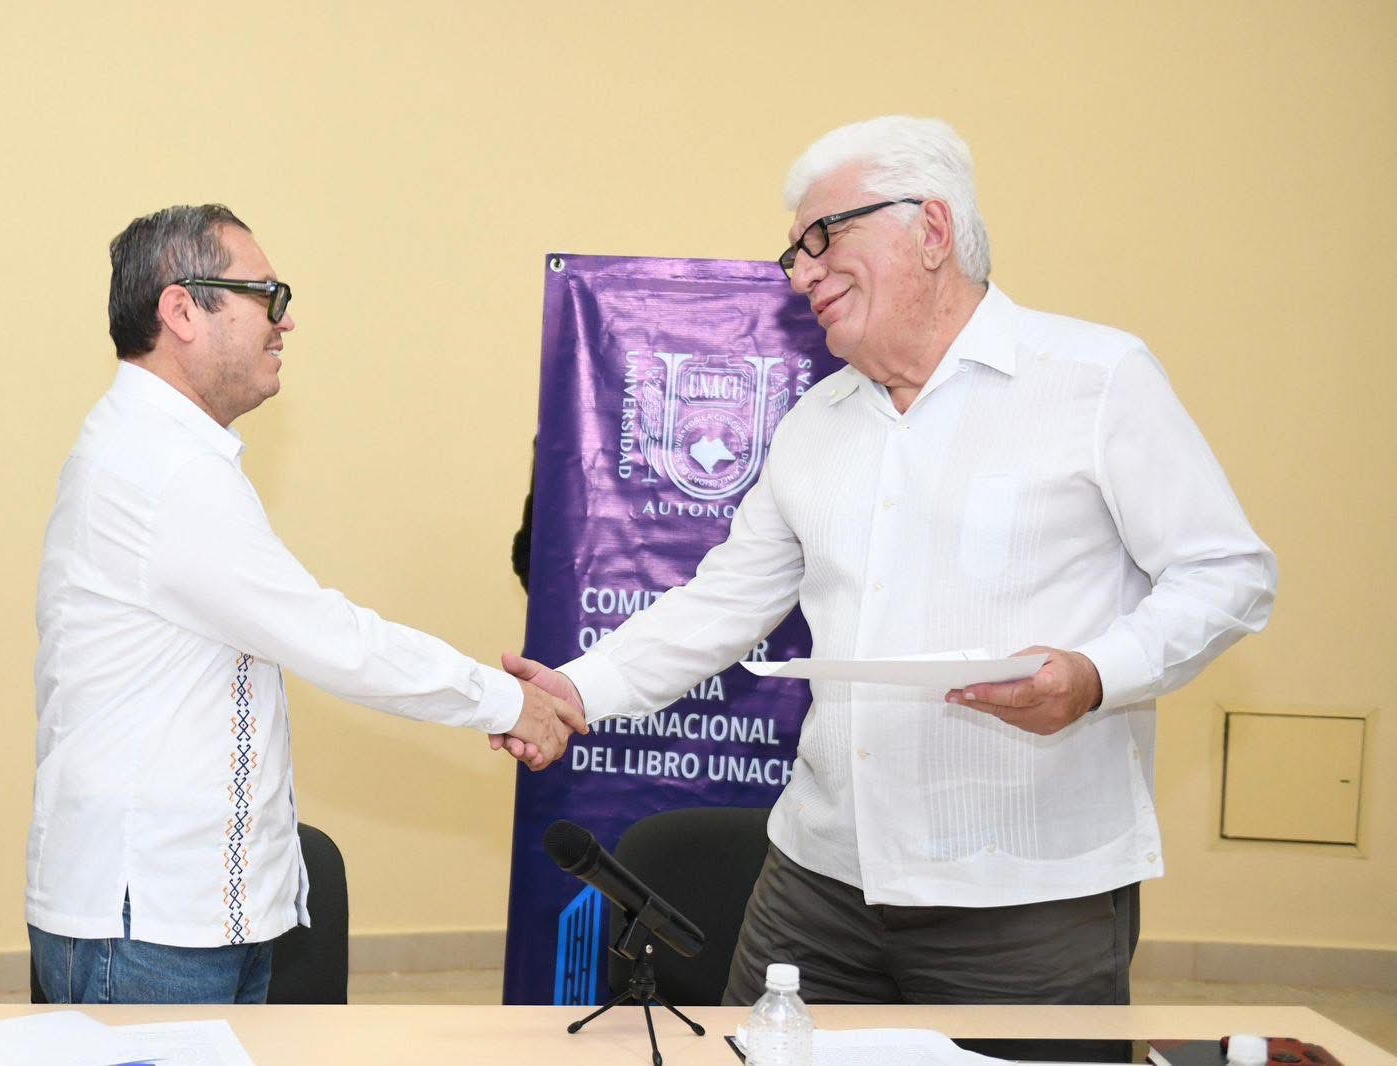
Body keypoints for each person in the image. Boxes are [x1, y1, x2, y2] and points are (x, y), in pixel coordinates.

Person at [498, 117, 1276, 1011]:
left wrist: (1098, 674)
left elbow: (1228, 575)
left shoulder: (1096, 379)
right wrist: (574, 691)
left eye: (823, 238)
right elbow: (723, 601)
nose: (801, 274)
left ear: (932, 229)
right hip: (817, 884)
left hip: (1025, 895)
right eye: (793, 253)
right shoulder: (814, 424)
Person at [28, 204, 585, 1004]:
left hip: (191, 910)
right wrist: (506, 701)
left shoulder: (165, 452)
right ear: (182, 310)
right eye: (267, 295)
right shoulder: (160, 468)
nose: (285, 321)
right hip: (150, 918)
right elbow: (331, 639)